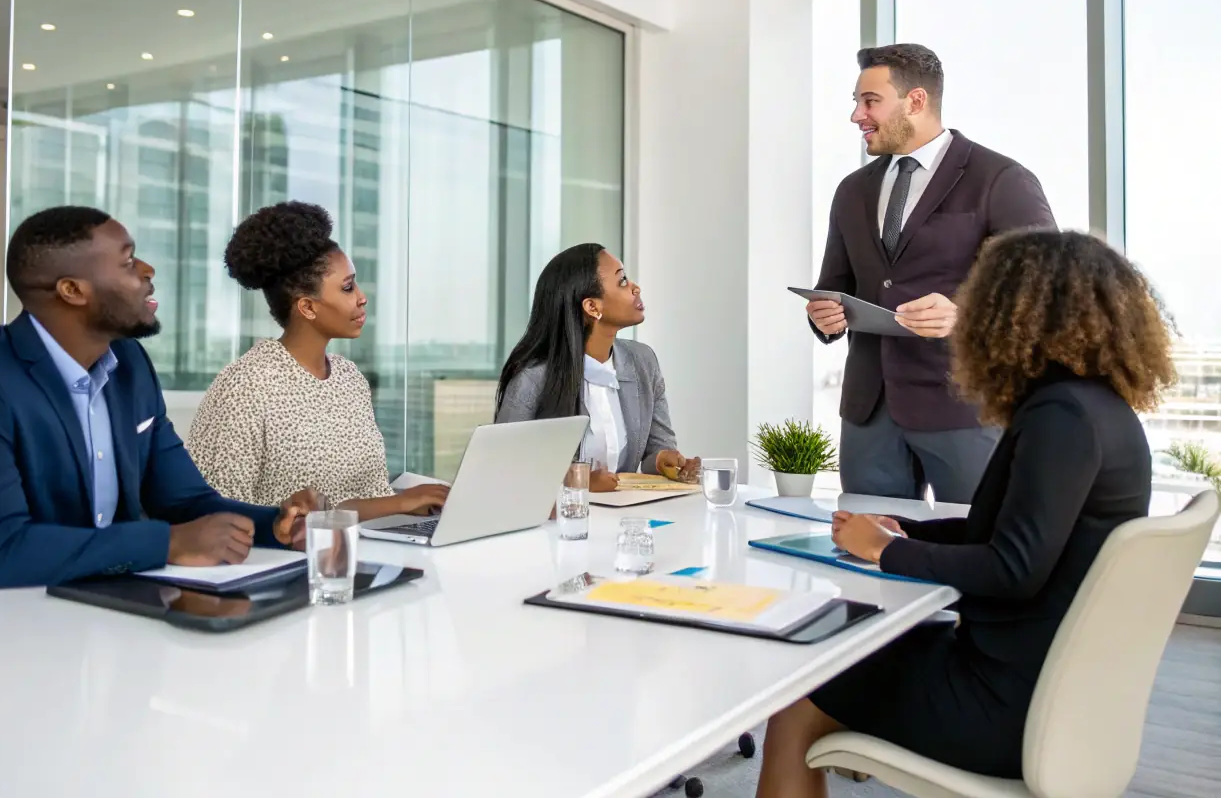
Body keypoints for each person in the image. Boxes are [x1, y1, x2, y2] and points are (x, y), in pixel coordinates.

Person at [757, 229, 1174, 796]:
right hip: (1058, 684)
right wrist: (912, 529)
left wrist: (885, 550)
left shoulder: (1060, 417)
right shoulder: (1096, 407)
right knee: (853, 649)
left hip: (1007, 703)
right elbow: (1020, 530)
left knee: (803, 683)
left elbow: (1014, 568)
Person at [0, 207, 319, 600]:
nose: (147, 271)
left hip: (100, 602)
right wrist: (169, 543)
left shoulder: (130, 364)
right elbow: (1, 552)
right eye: (127, 262)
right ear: (72, 290)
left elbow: (185, 500)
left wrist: (273, 525)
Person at [805, 43, 1057, 503]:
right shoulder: (852, 191)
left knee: (979, 550)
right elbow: (835, 285)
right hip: (869, 412)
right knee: (866, 550)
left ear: (916, 101)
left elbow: (1047, 290)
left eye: (870, 101)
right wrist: (823, 313)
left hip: (965, 407)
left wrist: (965, 315)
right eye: (856, 102)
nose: (857, 115)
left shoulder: (1000, 179)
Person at [187, 201, 448, 519]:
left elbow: (368, 493)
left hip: (366, 547)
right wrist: (399, 502)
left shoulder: (349, 377)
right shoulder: (246, 384)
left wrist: (413, 504)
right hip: (287, 560)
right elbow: (218, 513)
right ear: (307, 307)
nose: (362, 296)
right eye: (348, 287)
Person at [494, 243, 697, 492]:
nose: (635, 287)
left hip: (627, 518)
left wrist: (663, 460)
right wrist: (579, 482)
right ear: (592, 307)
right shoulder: (533, 378)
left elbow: (656, 446)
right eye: (622, 281)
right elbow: (502, 470)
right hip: (561, 525)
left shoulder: (643, 361)